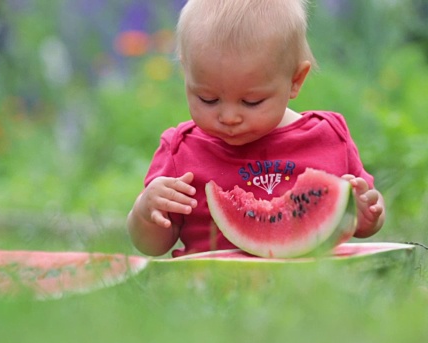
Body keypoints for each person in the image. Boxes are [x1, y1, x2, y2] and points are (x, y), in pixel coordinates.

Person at [127, 0, 385, 257]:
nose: (228, 117)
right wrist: (145, 211)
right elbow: (152, 245)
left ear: (295, 81)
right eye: (208, 99)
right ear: (186, 74)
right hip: (213, 288)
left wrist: (366, 212)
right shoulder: (180, 150)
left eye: (251, 102)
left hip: (308, 289)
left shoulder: (328, 136)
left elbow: (363, 222)